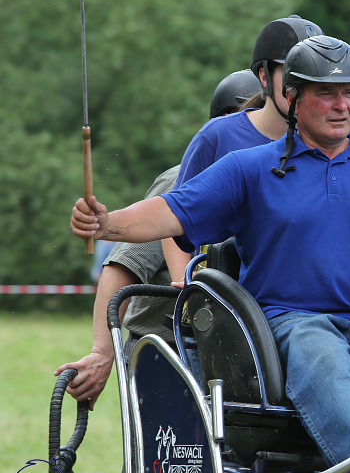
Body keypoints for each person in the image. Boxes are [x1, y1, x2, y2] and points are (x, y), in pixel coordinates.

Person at [70, 35, 350, 466]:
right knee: (329, 367)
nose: (341, 105)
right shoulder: (250, 168)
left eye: (349, 93)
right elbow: (171, 211)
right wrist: (108, 223)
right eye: (326, 94)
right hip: (291, 323)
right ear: (293, 99)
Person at [55, 69, 263, 410]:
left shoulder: (272, 180)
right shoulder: (182, 182)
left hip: (231, 355)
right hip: (165, 348)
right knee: (162, 461)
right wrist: (102, 353)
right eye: (242, 120)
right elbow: (122, 270)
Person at [162, 15, 324, 285]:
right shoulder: (218, 136)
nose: (301, 87)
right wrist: (185, 283)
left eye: (312, 77)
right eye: (291, 74)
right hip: (228, 293)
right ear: (264, 76)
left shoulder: (329, 143)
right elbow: (175, 217)